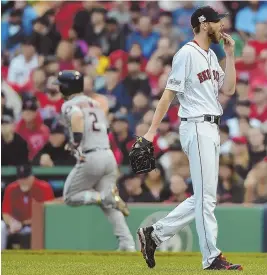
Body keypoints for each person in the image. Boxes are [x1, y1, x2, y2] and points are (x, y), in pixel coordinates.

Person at [137, 6, 242, 270]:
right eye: (217, 22)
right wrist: (151, 131)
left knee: (204, 197)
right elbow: (168, 94)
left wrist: (229, 55)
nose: (221, 26)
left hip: (210, 127)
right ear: (204, 24)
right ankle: (211, 258)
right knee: (206, 198)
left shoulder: (209, 54)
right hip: (196, 125)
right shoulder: (187, 53)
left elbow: (228, 88)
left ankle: (155, 234)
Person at [53, 70, 135, 251]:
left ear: (66, 87)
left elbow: (77, 117)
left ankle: (104, 196)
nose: (58, 88)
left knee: (70, 196)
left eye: (60, 85)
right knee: (109, 205)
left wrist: (75, 142)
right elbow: (105, 130)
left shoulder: (69, 104)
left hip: (91, 157)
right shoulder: (96, 104)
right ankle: (127, 243)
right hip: (107, 155)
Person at [1, 164, 54, 250]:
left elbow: (48, 213)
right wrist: (11, 223)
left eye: (26, 178)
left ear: (32, 176)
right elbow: (5, 212)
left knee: (43, 228)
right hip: (17, 225)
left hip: (37, 224)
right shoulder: (11, 188)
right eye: (20, 178)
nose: (23, 181)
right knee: (1, 226)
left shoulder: (44, 187)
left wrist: (23, 224)